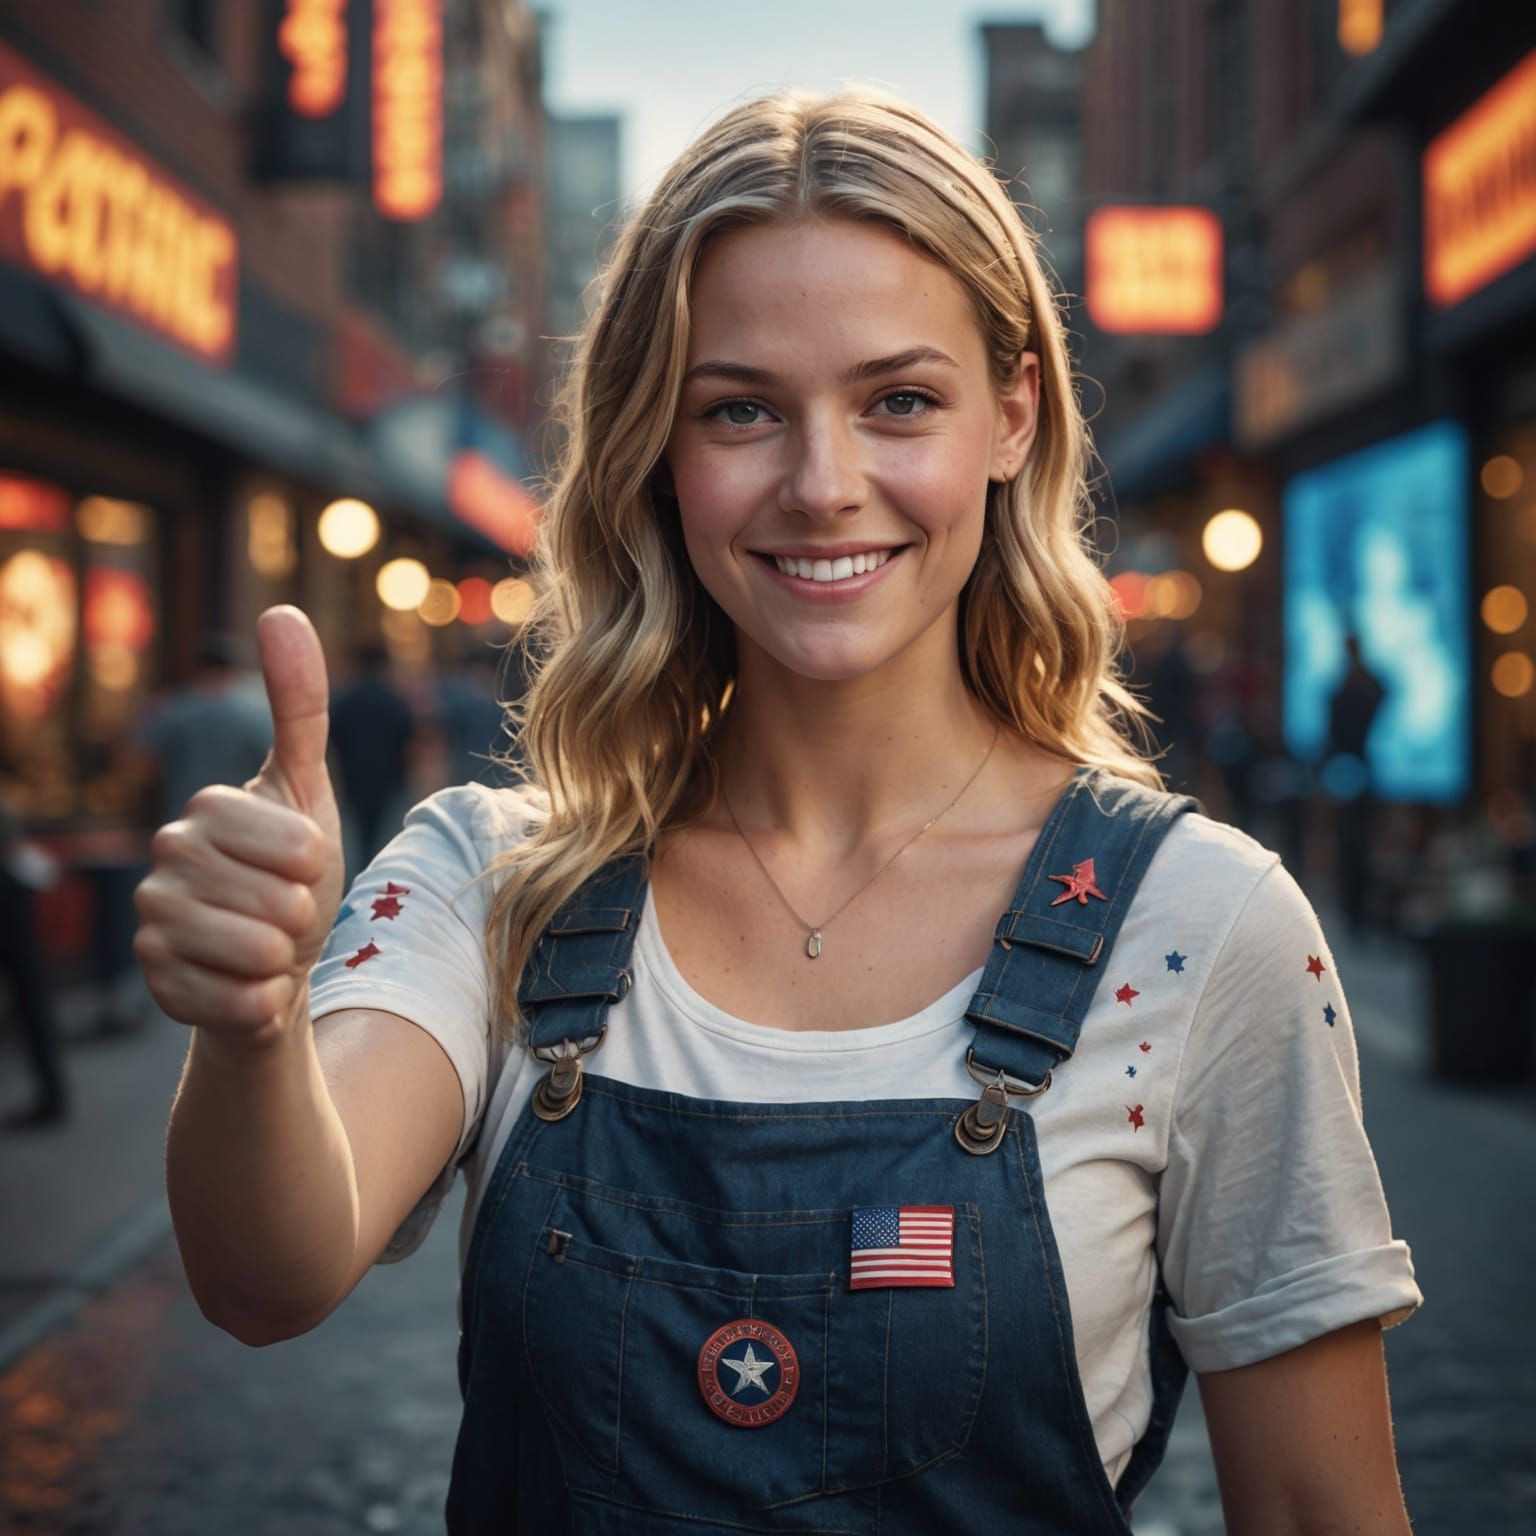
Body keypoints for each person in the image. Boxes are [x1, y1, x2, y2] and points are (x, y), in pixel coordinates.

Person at [135, 89, 1422, 1533]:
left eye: (898, 402)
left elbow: (1322, 1507)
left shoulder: (1203, 927)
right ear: (654, 451)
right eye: (739, 409)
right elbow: (264, 1279)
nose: (822, 485)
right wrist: (246, 1025)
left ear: (1012, 415)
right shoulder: (489, 879)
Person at [327, 640, 416, 868]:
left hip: (353, 776)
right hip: (388, 777)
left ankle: (358, 871)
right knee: (383, 833)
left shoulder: (346, 699)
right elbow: (407, 734)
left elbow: (334, 735)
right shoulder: (393, 699)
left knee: (357, 832)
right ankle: (376, 870)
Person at [1325, 632, 1388, 937]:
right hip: (1350, 767)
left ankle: (1358, 912)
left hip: (1355, 766)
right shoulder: (1351, 684)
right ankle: (1354, 912)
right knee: (1351, 840)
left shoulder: (1355, 685)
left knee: (1357, 841)